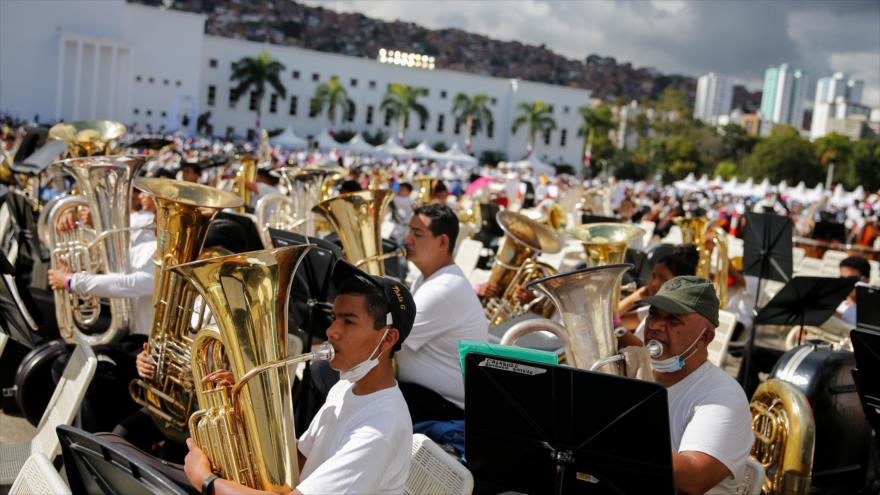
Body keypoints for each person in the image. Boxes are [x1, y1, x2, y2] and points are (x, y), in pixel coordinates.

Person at [183, 259, 416, 495]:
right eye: (334, 318)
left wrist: (206, 480)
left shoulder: (381, 429)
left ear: (388, 339)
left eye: (348, 321)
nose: (331, 331)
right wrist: (248, 412)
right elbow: (300, 461)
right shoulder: (345, 387)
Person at [47, 206, 158, 432]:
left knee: (90, 377)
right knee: (63, 362)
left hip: (148, 346)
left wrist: (72, 280)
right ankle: (74, 440)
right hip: (133, 340)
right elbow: (109, 275)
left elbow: (134, 283)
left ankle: (89, 446)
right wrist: (78, 231)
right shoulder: (137, 245)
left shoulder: (160, 249)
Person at [641, 276, 753, 495]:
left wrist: (615, 439)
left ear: (705, 338)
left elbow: (694, 477)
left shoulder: (723, 396)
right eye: (653, 313)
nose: (654, 325)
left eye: (673, 320)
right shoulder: (634, 373)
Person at [397, 203, 488, 422]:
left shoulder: (444, 288)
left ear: (443, 242)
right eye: (409, 231)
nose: (408, 239)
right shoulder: (428, 278)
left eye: (417, 234)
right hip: (425, 398)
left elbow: (388, 338)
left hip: (444, 410)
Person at [838, 255, 870, 326]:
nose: (845, 283)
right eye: (842, 279)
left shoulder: (873, 307)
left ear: (866, 280)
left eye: (851, 279)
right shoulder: (834, 299)